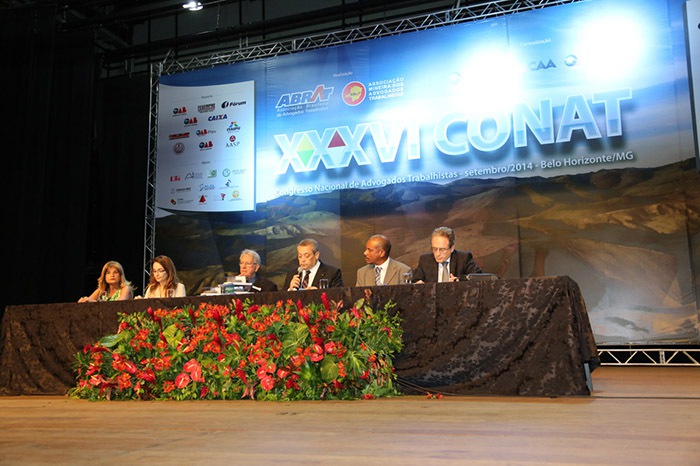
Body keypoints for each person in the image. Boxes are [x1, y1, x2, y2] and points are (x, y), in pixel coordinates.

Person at [412, 226, 481, 283]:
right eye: (435, 249)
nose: (438, 254)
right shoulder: (425, 260)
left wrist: (459, 281)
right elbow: (415, 281)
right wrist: (418, 284)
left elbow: (478, 278)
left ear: (452, 248)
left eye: (442, 249)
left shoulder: (463, 258)